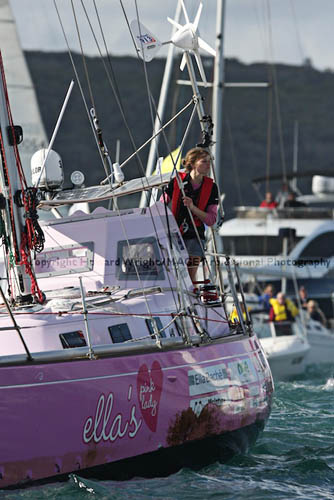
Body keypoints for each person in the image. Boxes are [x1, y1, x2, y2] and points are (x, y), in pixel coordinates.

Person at [161, 147, 219, 283]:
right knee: (172, 275)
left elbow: (211, 220)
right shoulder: (176, 182)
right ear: (193, 164)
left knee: (190, 276)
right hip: (174, 235)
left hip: (195, 236)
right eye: (204, 161)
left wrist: (193, 207)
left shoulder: (212, 187)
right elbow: (161, 205)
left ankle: (193, 299)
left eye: (209, 161)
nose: (208, 165)